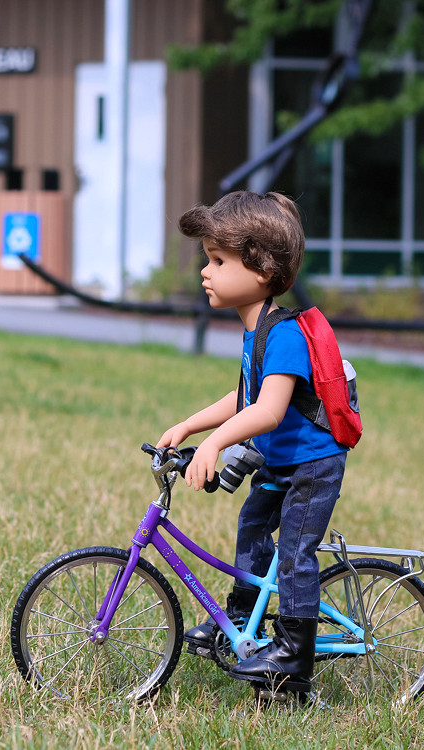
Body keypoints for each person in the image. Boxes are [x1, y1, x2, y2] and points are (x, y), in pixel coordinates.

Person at [156, 191, 347, 693]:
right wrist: (190, 426)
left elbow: (269, 408)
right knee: (253, 523)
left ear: (261, 269)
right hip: (282, 461)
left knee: (296, 553)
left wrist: (216, 445)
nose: (206, 271)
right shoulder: (254, 333)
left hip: (312, 465)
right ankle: (243, 622)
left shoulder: (283, 335)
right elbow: (244, 396)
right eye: (207, 260)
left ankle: (293, 655)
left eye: (219, 260)